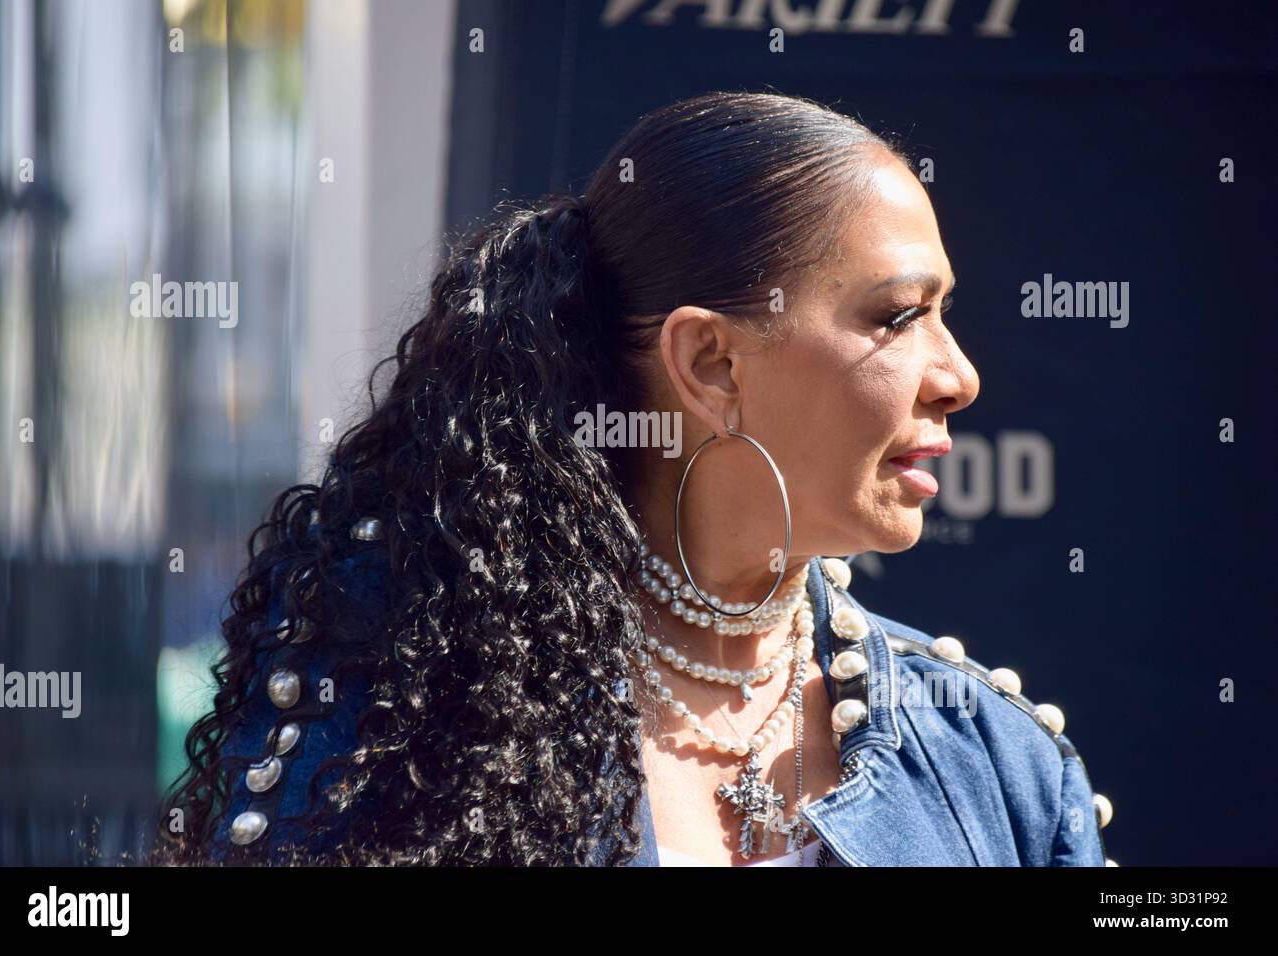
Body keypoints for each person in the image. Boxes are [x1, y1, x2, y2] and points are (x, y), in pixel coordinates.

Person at [152, 91, 1115, 867]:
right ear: (711, 364)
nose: (959, 376)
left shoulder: (993, 759)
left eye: (944, 312)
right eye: (900, 317)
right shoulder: (410, 717)